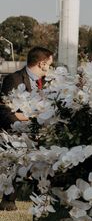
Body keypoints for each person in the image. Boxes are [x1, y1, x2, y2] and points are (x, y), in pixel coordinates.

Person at [0, 46, 54, 211]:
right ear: (42, 63)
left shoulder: (47, 82)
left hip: (42, 131)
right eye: (49, 64)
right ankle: (8, 200)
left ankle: (41, 199)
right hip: (16, 132)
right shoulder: (14, 79)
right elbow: (6, 112)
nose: (50, 68)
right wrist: (31, 118)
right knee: (15, 160)